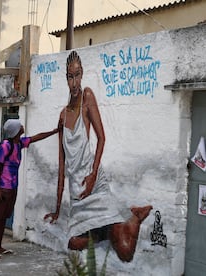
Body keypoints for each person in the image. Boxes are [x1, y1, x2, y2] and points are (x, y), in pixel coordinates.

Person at [44, 51, 152, 262]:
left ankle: (134, 218)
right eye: (69, 76)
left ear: (82, 74)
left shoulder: (87, 97)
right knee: (74, 243)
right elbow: (62, 165)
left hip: (94, 184)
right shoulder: (62, 116)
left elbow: (102, 138)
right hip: (77, 194)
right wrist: (57, 209)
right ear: (65, 78)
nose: (74, 82)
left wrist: (93, 175)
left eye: (77, 75)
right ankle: (109, 227)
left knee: (126, 254)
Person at [0, 119, 58, 259]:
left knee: (3, 217)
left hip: (12, 188)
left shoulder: (18, 143)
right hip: (3, 188)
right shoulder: (5, 146)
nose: (22, 126)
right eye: (20, 126)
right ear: (15, 130)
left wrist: (54, 131)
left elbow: (36, 137)